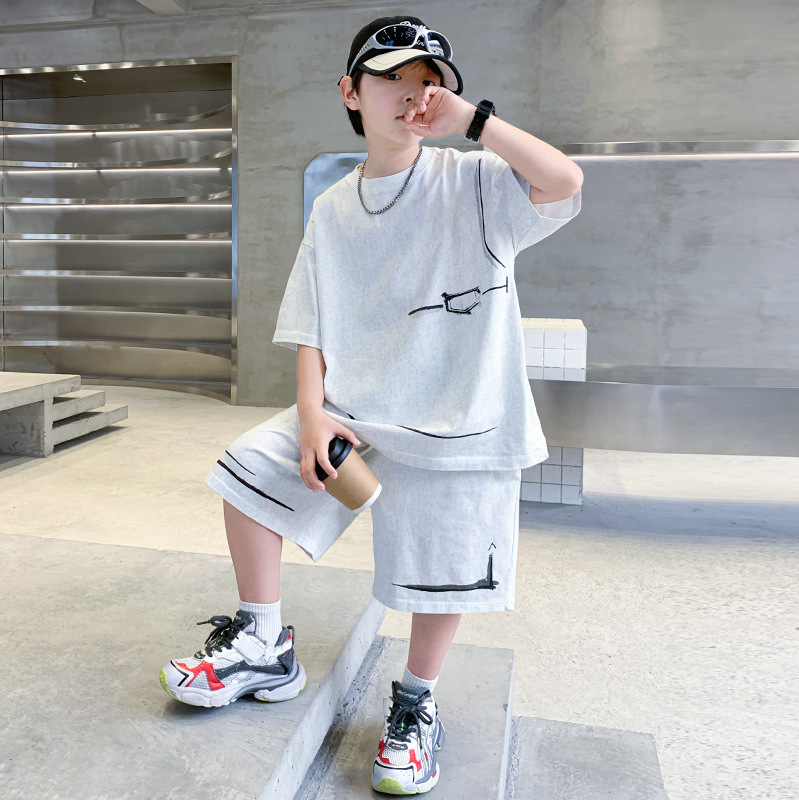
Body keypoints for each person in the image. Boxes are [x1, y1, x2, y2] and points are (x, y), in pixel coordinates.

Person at [159, 14, 582, 795]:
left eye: (429, 81)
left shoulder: (476, 182)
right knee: (247, 473)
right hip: (356, 411)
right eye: (392, 78)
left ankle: (417, 704)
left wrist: (476, 123)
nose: (414, 94)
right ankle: (263, 644)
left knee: (440, 564)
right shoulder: (333, 207)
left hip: (459, 418)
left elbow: (564, 182)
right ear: (351, 92)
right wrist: (310, 414)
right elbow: (312, 323)